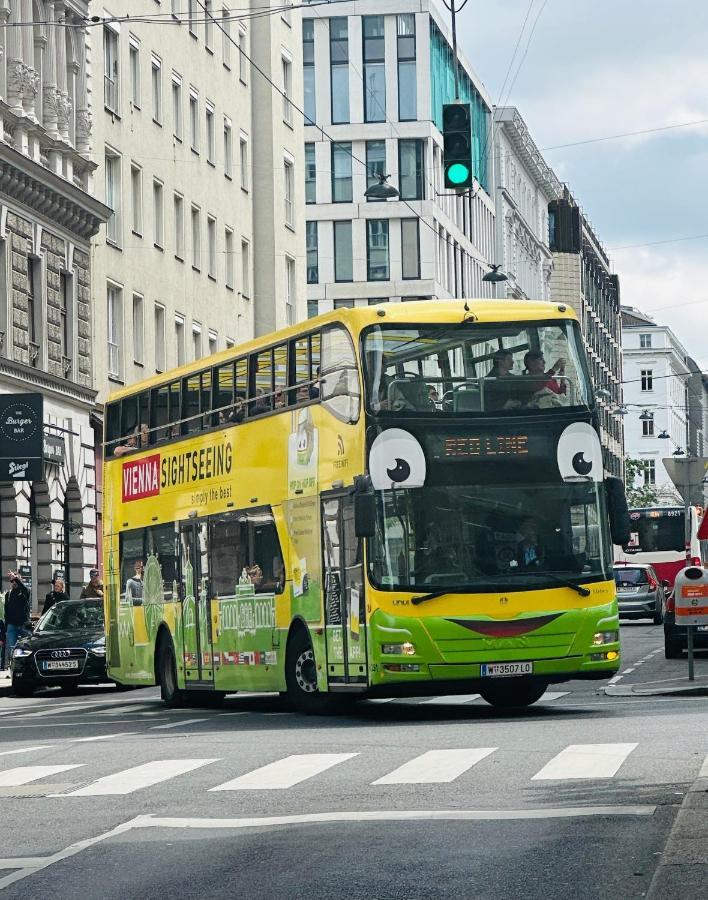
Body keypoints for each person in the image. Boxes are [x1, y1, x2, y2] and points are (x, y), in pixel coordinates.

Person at [4, 570, 31, 661]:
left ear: (20, 581)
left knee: (26, 648)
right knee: (12, 648)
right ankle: (14, 666)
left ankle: (25, 664)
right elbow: (6, 610)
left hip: (24, 624)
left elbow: (24, 589)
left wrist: (15, 577)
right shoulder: (9, 594)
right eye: (13, 581)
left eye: (16, 581)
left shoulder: (25, 591)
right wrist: (7, 625)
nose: (14, 583)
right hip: (12, 625)